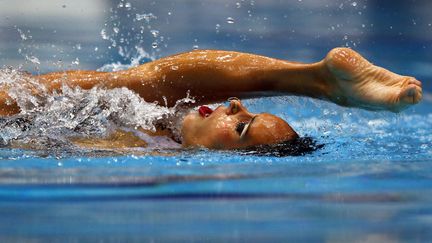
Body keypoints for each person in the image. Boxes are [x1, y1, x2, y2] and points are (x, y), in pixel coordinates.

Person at [0, 47, 423, 152]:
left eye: (242, 127)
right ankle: (316, 80)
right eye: (247, 110)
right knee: (129, 83)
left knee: (125, 84)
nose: (237, 104)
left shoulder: (142, 149)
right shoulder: (157, 126)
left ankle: (317, 82)